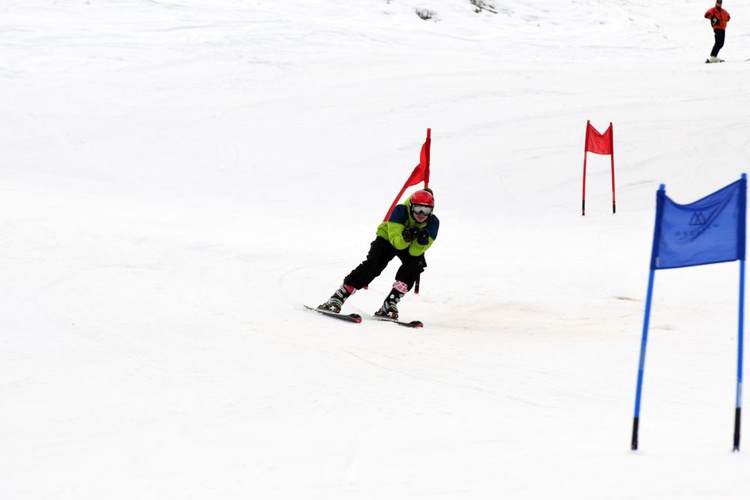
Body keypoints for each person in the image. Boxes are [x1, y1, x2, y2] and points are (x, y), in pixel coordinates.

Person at [318, 188, 439, 319]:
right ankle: (338, 297)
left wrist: (421, 242)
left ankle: (390, 302)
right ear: (411, 206)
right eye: (418, 208)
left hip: (410, 246)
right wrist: (406, 237)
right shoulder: (400, 211)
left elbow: (414, 252)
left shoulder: (433, 223)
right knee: (373, 265)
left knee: (415, 265)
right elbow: (396, 242)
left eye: (426, 210)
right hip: (388, 239)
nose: (421, 214)